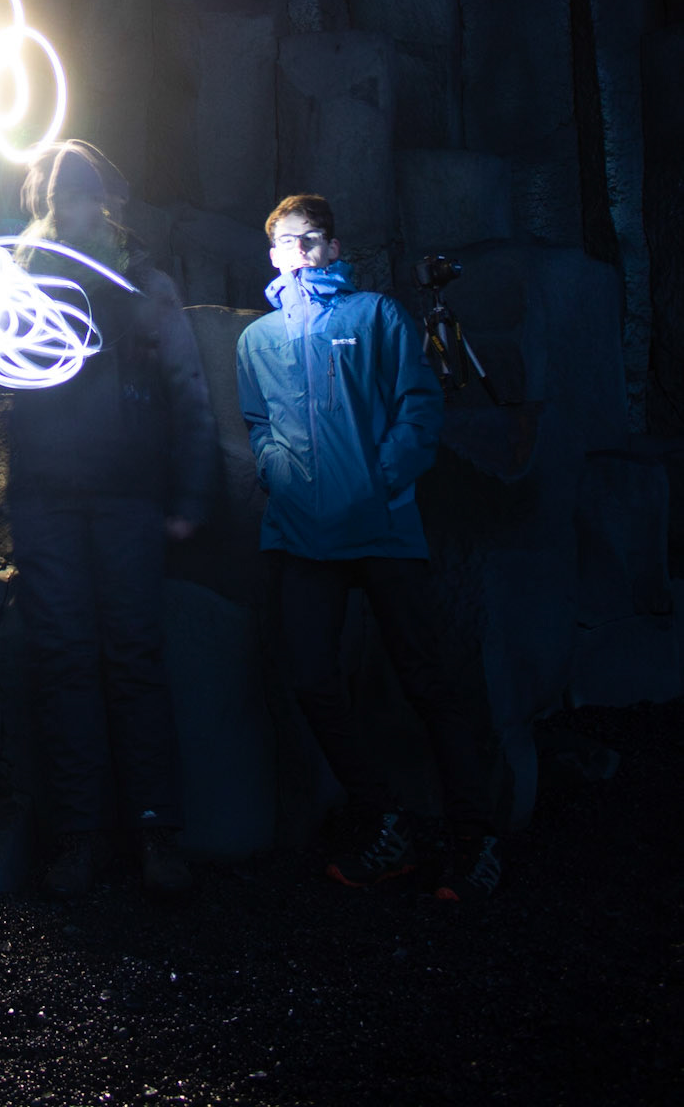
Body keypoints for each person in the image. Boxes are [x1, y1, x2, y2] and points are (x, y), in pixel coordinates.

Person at [235, 194, 501, 902]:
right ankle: (387, 822)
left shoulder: (377, 316)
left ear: (333, 246)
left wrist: (379, 482)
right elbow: (258, 422)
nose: (301, 253)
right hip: (301, 534)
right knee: (310, 679)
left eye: (313, 240)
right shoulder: (256, 339)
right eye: (288, 242)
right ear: (272, 254)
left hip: (382, 528)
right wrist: (279, 474)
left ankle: (475, 838)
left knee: (426, 681)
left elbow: (419, 403)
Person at [7, 140, 218, 898]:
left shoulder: (144, 287)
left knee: (132, 657)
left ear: (105, 202)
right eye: (57, 198)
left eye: (81, 195)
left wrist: (190, 499)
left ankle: (154, 832)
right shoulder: (20, 282)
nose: (70, 209)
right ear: (44, 206)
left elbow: (188, 393)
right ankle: (80, 837)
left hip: (127, 495)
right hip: (46, 497)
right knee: (64, 659)